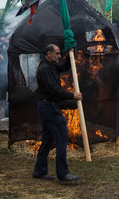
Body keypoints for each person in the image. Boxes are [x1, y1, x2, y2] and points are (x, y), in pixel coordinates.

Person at [32, 43, 82, 184]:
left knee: (47, 140)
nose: (59, 56)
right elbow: (54, 90)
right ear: (49, 54)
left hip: (48, 106)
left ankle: (40, 171)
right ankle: (63, 174)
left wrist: (70, 53)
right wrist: (72, 96)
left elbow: (65, 66)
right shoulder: (44, 69)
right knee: (62, 138)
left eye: (60, 53)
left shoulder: (51, 66)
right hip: (49, 107)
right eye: (57, 53)